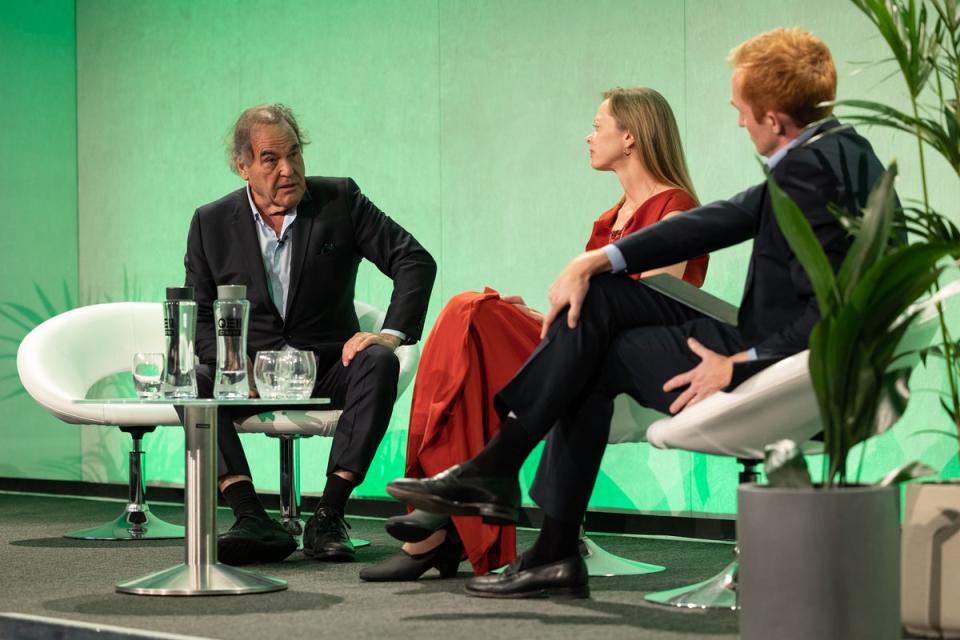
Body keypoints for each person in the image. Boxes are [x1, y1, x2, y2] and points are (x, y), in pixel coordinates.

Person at [387, 27, 888, 598]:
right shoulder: (837, 153)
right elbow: (727, 217)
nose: (738, 123)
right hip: (772, 352)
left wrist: (742, 363)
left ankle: (513, 494)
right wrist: (602, 257)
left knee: (586, 331)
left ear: (774, 118)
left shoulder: (814, 169)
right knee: (594, 321)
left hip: (776, 367)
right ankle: (533, 528)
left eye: (742, 111)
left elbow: (840, 307)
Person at [360, 87, 707, 582]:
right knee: (470, 323)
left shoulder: (676, 209)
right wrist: (540, 309)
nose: (588, 137)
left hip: (632, 363)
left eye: (598, 125)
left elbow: (650, 307)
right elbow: (586, 310)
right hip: (581, 346)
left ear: (630, 137)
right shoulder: (609, 219)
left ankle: (445, 515)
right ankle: (446, 511)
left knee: (471, 313)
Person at [182, 104, 436, 566]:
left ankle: (329, 513)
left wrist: (391, 334)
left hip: (326, 368)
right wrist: (230, 368)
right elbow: (200, 316)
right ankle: (249, 515)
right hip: (249, 376)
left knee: (378, 363)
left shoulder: (340, 200)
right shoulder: (210, 223)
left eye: (295, 154)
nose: (288, 169)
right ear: (242, 166)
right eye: (270, 159)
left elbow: (413, 260)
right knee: (191, 380)